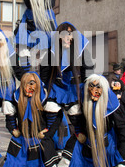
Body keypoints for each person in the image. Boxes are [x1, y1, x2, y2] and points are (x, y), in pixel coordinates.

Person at [57, 74, 125, 167]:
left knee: (119, 158)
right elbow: (75, 117)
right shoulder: (81, 97)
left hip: (106, 135)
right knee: (68, 155)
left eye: (98, 87)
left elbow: (122, 123)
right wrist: (78, 131)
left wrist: (123, 142)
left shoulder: (111, 101)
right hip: (84, 135)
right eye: (91, 87)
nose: (94, 91)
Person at [0, 72, 62, 167]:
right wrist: (13, 129)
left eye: (32, 83)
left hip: (40, 137)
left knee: (49, 161)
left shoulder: (45, 99)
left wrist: (48, 132)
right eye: (27, 84)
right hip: (22, 137)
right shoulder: (16, 98)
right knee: (13, 158)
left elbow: (55, 118)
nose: (29, 87)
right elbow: (10, 118)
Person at [40, 22, 94, 150]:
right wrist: (44, 91)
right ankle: (49, 153)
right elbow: (44, 76)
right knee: (50, 123)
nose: (67, 37)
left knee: (79, 125)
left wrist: (87, 89)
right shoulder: (51, 53)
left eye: (70, 33)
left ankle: (75, 155)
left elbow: (89, 73)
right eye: (63, 34)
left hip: (75, 90)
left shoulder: (82, 52)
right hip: (56, 90)